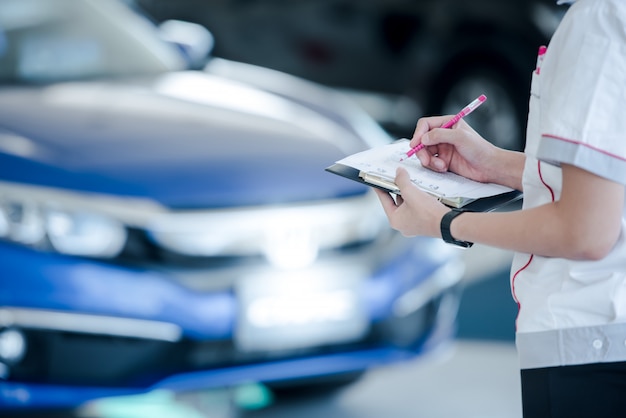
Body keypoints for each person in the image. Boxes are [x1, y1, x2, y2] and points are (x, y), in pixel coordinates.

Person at [374, 0, 626, 417]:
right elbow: (606, 183)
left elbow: (583, 231)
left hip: (590, 343)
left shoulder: (599, 20)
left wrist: (445, 222)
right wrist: (494, 163)